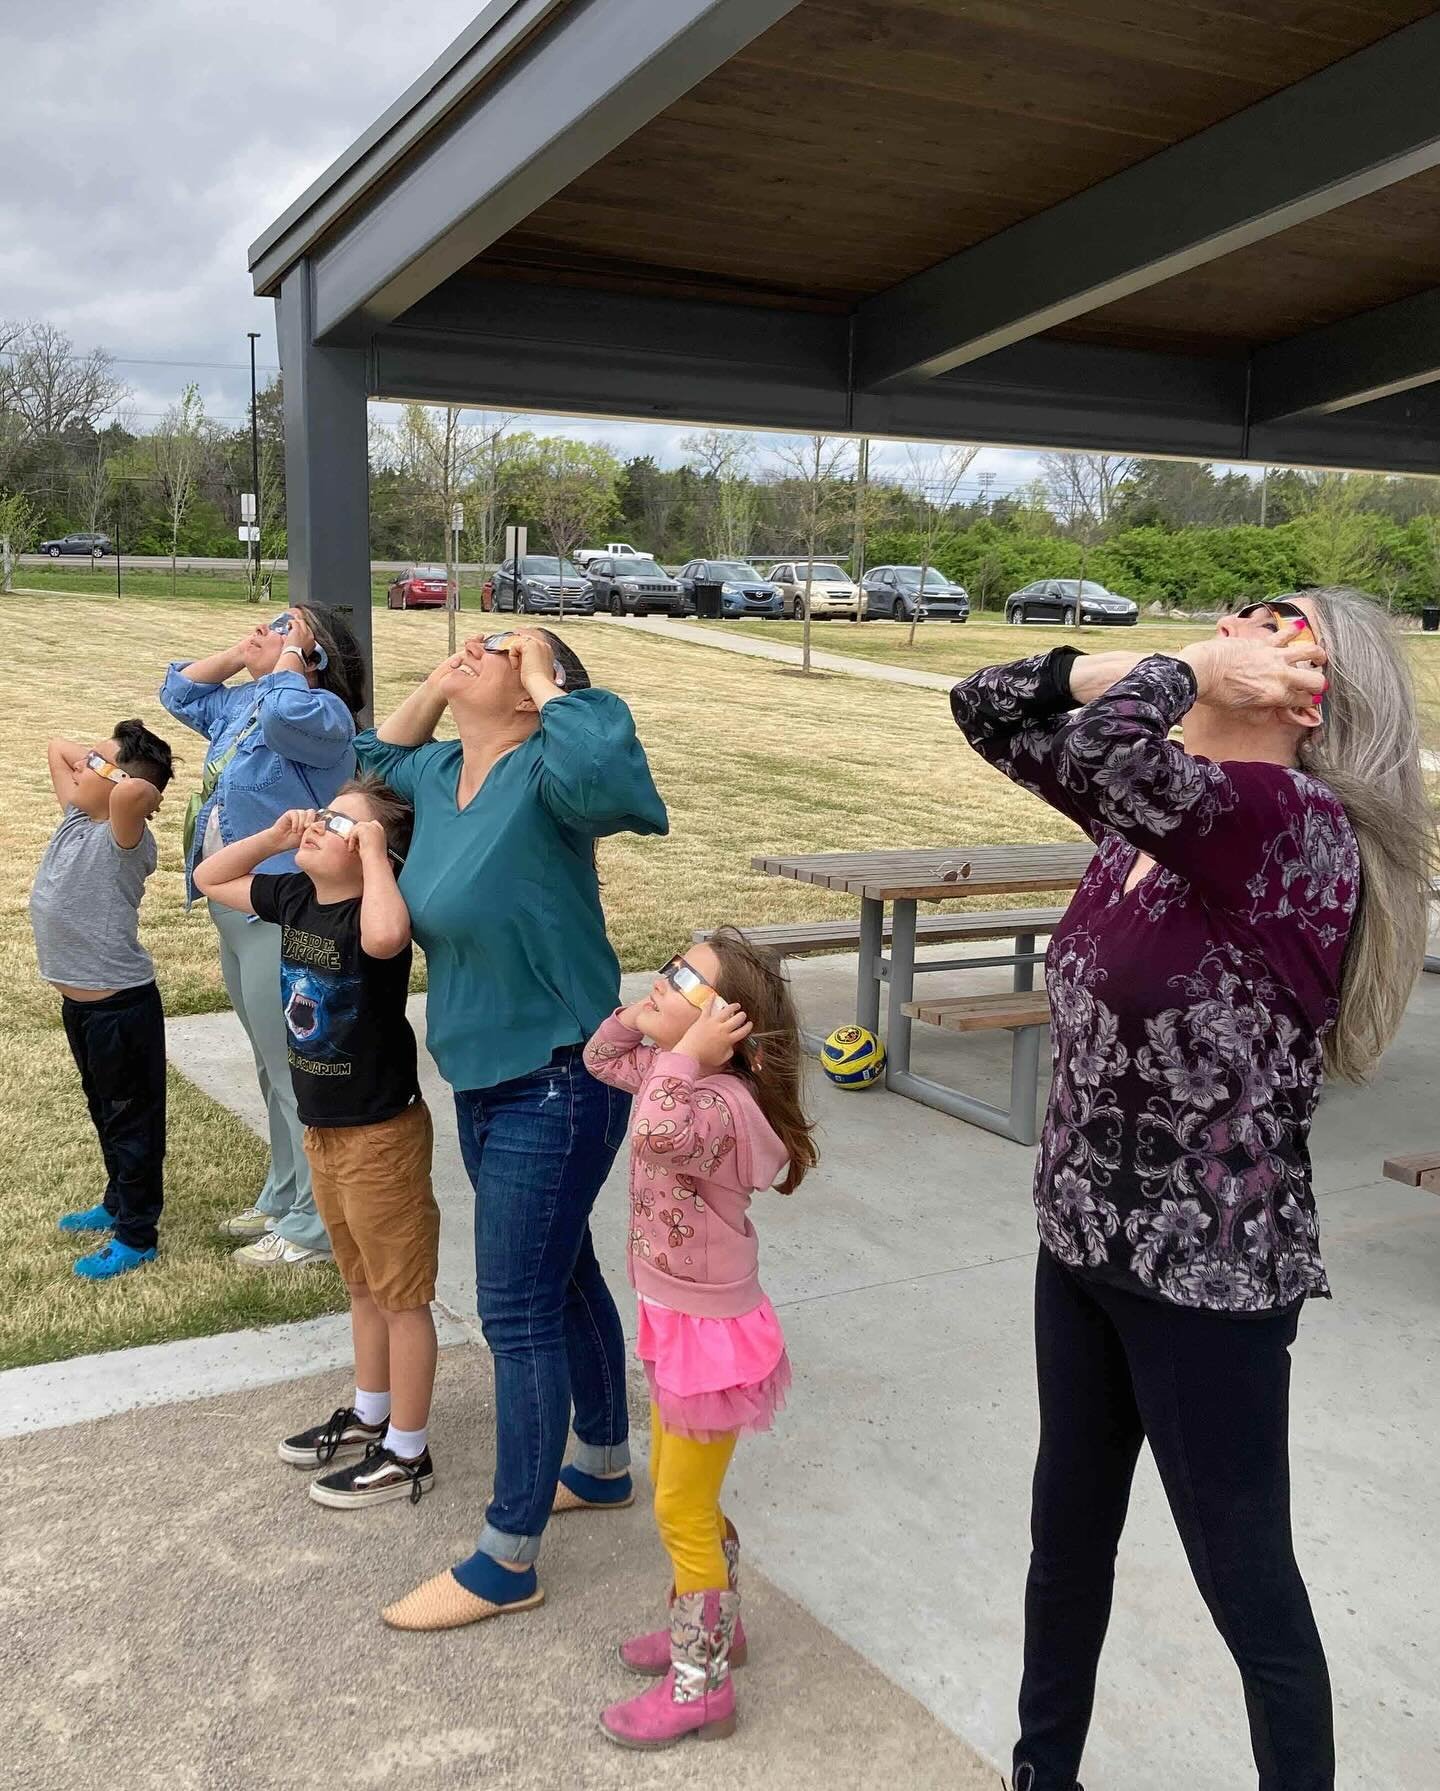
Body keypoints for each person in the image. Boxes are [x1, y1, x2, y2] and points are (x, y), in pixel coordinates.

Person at [950, 589, 1435, 1791]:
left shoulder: (1287, 820)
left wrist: (1185, 669)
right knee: (1064, 1546)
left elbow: (1112, 743)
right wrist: (1166, 666)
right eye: (1235, 616)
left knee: (1249, 1592)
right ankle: (1040, 1773)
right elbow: (988, 702)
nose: (1234, 626)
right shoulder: (1150, 820)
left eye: (1274, 625)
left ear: (1318, 694)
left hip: (1208, 1277)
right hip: (1080, 1243)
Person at [351, 628, 668, 1630]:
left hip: (560, 1072)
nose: (470, 648)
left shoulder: (552, 768)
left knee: (518, 1308)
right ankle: (607, 1465)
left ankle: (508, 1556)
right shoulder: (442, 765)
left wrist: (549, 679)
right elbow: (368, 760)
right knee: (562, 1272)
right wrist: (433, 686)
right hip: (486, 1068)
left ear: (536, 693)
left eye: (500, 648)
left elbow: (617, 782)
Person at [581, 929, 816, 1749]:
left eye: (687, 978)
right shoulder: (679, 1078)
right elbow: (602, 1061)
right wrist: (649, 1019)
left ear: (727, 1024)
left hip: (707, 1335)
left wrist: (681, 1055)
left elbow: (652, 1132)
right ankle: (723, 1631)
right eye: (672, 964)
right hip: (676, 1316)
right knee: (693, 1497)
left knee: (679, 1506)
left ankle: (701, 1686)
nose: (663, 978)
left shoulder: (716, 1104)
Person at [196, 774, 440, 1508]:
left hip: (380, 1134)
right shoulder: (296, 897)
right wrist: (274, 837)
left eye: (343, 823)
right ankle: (372, 1412)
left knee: (401, 1295)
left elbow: (389, 937)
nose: (319, 825)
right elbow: (211, 876)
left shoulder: (375, 909)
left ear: (377, 852)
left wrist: (371, 854)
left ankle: (408, 1449)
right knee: (361, 1283)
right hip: (326, 1129)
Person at [159, 605, 363, 1269]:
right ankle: (283, 1193)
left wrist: (289, 666)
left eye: (286, 623)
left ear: (315, 655)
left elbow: (285, 717)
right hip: (235, 907)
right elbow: (180, 692)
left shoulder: (319, 714)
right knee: (266, 1062)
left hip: (278, 910)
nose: (268, 625)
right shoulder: (251, 701)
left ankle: (315, 1223)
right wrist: (240, 654)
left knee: (290, 1068)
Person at [31, 721, 176, 1281]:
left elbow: (136, 794)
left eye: (96, 764)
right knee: (104, 1111)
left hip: (121, 1010)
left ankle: (137, 1234)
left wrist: (122, 777)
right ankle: (117, 1200)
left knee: (131, 1122)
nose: (80, 766)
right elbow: (56, 747)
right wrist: (102, 760)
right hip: (82, 1007)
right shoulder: (78, 817)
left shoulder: (123, 835)